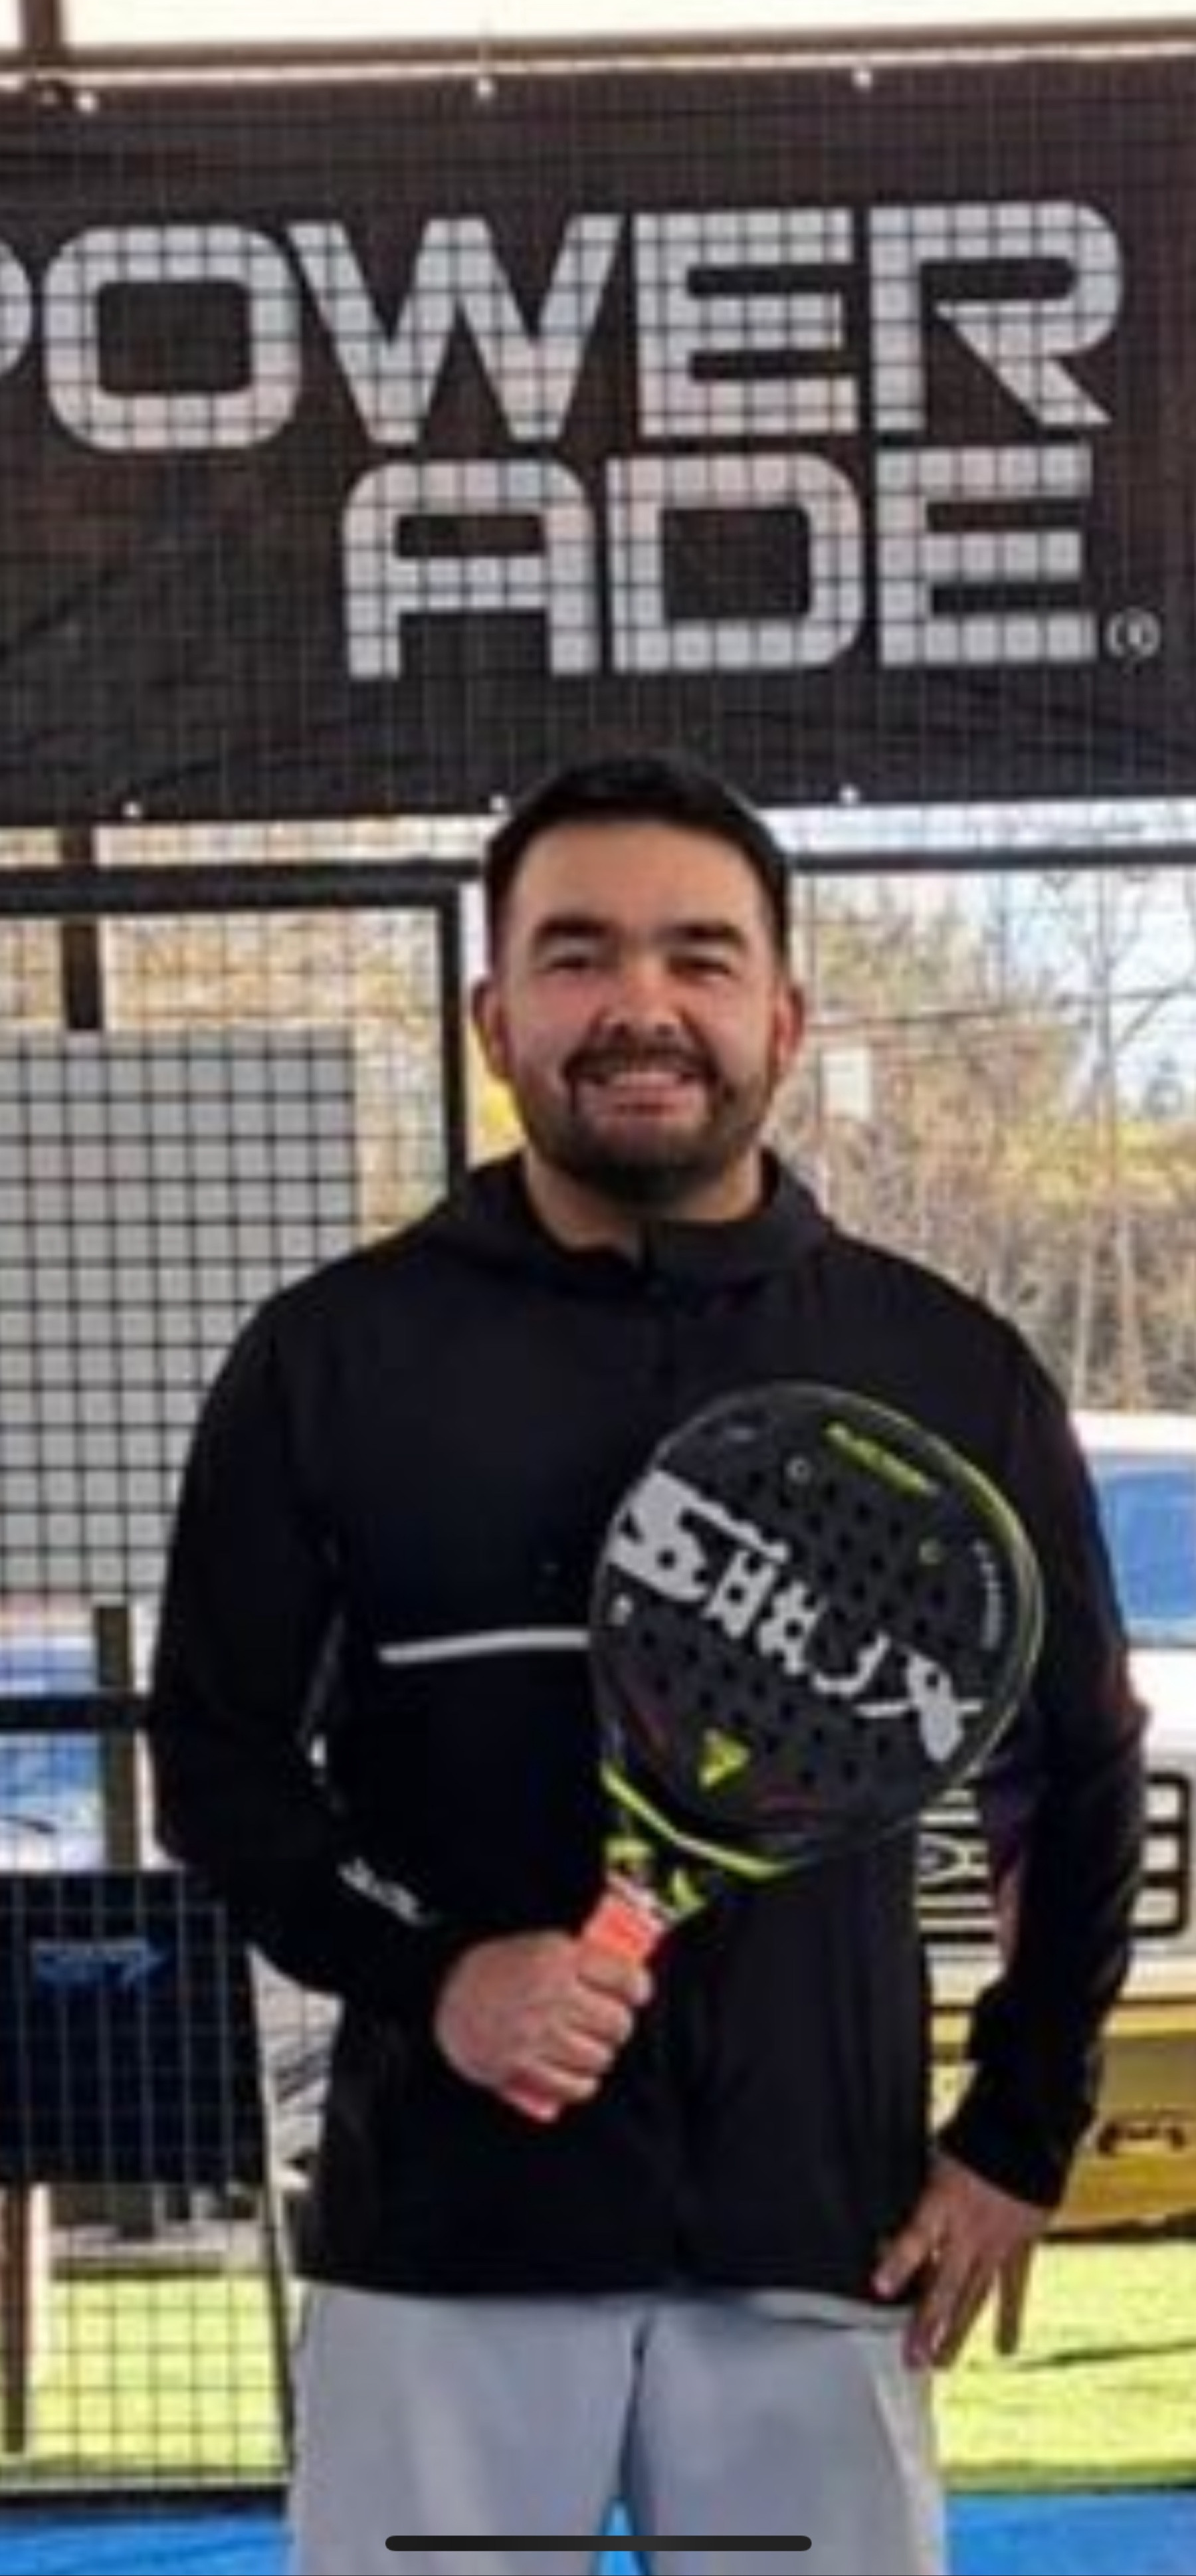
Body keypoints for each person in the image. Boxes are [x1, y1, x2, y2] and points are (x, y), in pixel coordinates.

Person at [148, 751, 1145, 2576]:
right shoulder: (330, 1359)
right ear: (494, 1017)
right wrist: (440, 1977)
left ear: (784, 1014)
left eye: (698, 955)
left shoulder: (950, 1369)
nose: (641, 1005)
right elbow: (217, 1761)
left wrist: (1019, 2128)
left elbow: (1071, 1779)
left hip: (819, 2249)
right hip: (442, 2253)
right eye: (578, 954)